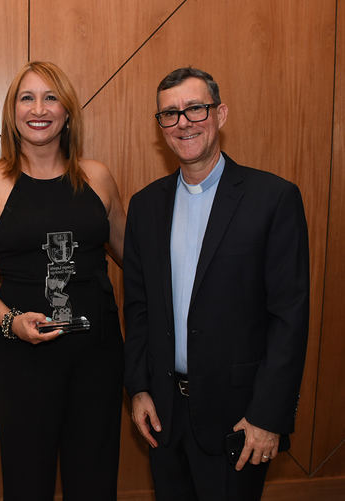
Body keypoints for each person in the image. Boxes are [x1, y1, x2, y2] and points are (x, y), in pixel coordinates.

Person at [123, 66, 310, 500]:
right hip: (164, 416)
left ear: (220, 114)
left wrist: (268, 416)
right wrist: (139, 389)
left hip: (240, 420)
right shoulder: (146, 206)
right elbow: (138, 306)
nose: (183, 122)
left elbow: (289, 318)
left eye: (195, 108)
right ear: (161, 127)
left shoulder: (273, 199)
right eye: (169, 114)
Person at [0, 61, 126, 500]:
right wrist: (9, 320)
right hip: (24, 359)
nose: (39, 108)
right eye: (27, 98)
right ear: (13, 112)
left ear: (68, 112)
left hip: (98, 354)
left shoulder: (98, 177)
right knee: (27, 478)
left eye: (51, 97)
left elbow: (133, 257)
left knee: (95, 477)